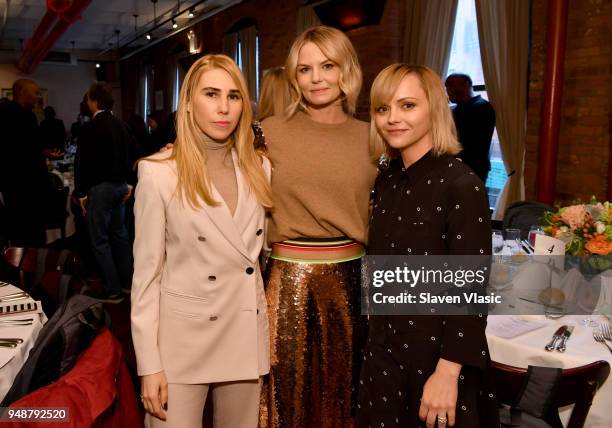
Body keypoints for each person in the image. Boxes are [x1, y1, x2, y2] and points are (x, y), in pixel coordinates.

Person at [131, 54, 273, 428]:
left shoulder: (260, 168)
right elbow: (146, 278)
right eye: (211, 94)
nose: (224, 107)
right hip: (181, 342)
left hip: (243, 331)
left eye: (234, 96)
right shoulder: (158, 172)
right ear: (189, 100)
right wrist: (149, 365)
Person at [356, 64, 499, 428]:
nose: (393, 118)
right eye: (383, 109)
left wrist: (448, 373)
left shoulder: (461, 184)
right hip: (384, 356)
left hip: (435, 361)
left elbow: (471, 289)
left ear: (434, 108)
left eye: (407, 106)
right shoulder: (386, 179)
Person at [260, 26, 378, 428]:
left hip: (351, 280)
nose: (316, 78)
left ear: (347, 69)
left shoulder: (374, 138)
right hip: (286, 280)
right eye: (305, 69)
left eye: (327, 65)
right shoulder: (268, 133)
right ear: (294, 77)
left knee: (344, 397)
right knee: (285, 397)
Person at [75, 82, 137, 301]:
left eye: (88, 99)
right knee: (120, 236)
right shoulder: (122, 124)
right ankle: (128, 284)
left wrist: (81, 193)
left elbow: (82, 163)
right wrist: (129, 183)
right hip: (120, 187)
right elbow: (132, 155)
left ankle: (112, 290)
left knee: (100, 240)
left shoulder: (90, 128)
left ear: (94, 101)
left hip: (101, 189)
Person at [0, 78, 53, 246]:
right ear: (23, 93)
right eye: (35, 93)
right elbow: (22, 152)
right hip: (23, 187)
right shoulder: (16, 116)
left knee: (26, 234)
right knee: (27, 235)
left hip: (21, 186)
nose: (38, 97)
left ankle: (26, 267)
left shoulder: (22, 115)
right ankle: (27, 268)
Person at [444, 73, 495, 185]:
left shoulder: (481, 108)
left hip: (471, 169)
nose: (448, 90)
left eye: (452, 85)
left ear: (466, 85)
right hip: (455, 168)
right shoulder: (456, 109)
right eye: (447, 86)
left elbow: (466, 141)